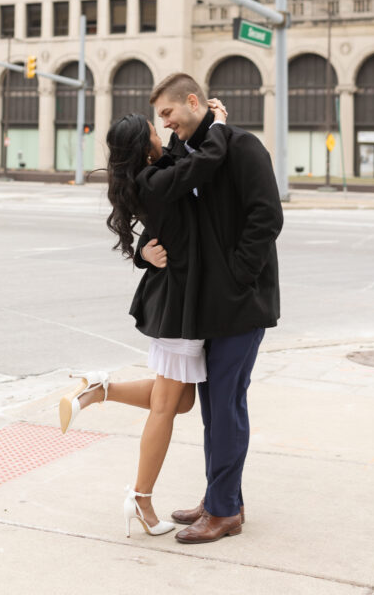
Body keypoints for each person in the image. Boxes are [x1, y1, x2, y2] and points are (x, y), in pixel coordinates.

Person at [58, 98, 230, 538]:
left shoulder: (149, 175)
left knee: (182, 401)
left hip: (177, 299)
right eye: (156, 130)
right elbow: (203, 163)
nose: (164, 131)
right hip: (177, 304)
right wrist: (220, 126)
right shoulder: (156, 179)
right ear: (145, 145)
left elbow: (177, 162)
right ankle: (141, 498)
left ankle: (100, 389)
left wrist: (142, 250)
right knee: (167, 408)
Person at [138, 72, 283, 544]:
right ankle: (222, 497)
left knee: (225, 405)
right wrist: (144, 249)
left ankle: (224, 513)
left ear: (193, 101)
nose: (165, 125)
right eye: (160, 118)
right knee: (212, 410)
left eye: (168, 114)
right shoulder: (189, 154)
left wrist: (239, 275)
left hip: (241, 302)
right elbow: (164, 208)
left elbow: (267, 217)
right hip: (206, 304)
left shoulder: (242, 147)